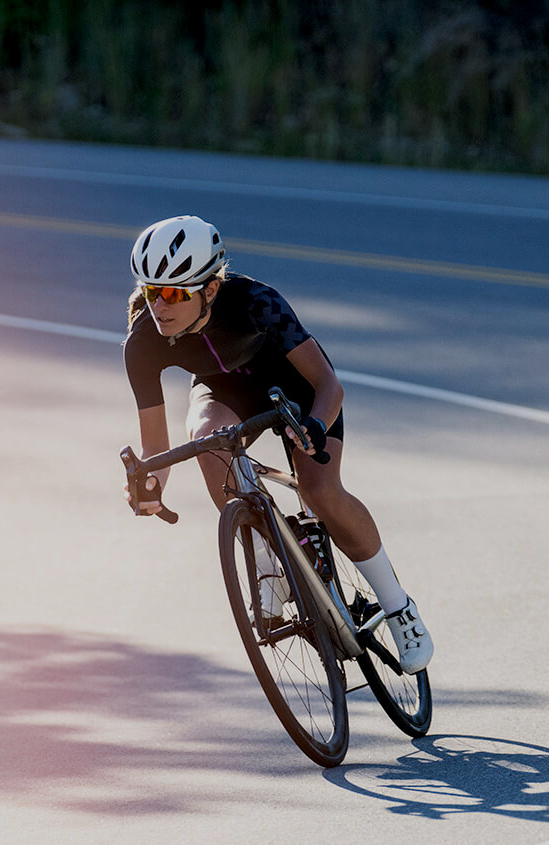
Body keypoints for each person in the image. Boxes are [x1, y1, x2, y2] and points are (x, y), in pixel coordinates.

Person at [120, 215, 433, 674]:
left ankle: (399, 607)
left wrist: (316, 427)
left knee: (320, 491)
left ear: (209, 289)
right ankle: (268, 560)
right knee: (205, 437)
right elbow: (157, 450)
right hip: (225, 390)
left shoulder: (256, 302)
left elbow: (329, 385)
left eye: (173, 293)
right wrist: (148, 485)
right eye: (151, 291)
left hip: (297, 386)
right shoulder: (143, 342)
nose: (159, 307)